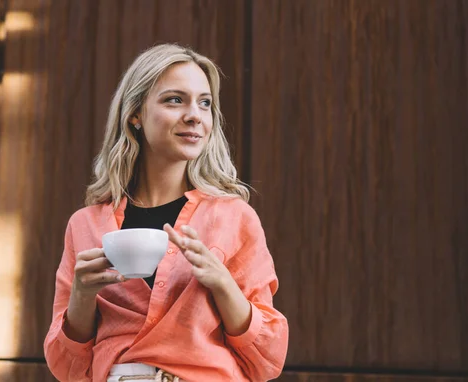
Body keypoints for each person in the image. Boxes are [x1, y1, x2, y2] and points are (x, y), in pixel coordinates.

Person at [44, 43, 289, 382]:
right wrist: (82, 297)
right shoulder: (84, 225)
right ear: (135, 114)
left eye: (205, 103)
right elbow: (66, 367)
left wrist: (222, 283)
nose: (195, 115)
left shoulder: (234, 217)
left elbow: (268, 359)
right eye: (175, 100)